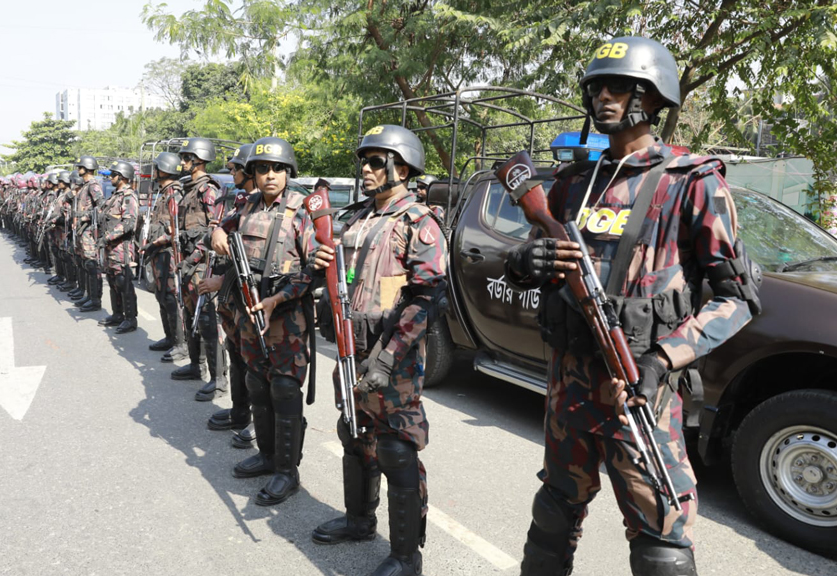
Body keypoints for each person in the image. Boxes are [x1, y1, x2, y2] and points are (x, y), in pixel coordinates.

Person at [503, 37, 761, 576]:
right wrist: (527, 259)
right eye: (596, 87)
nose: (603, 97)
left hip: (640, 391)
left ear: (653, 96)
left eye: (619, 87)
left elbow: (737, 300)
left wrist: (662, 359)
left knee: (661, 535)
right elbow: (529, 263)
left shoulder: (690, 182)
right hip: (568, 386)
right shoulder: (573, 184)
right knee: (553, 513)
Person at [311, 125, 447, 576]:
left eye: (377, 162)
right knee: (354, 434)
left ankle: (407, 556)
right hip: (351, 349)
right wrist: (318, 267)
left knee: (397, 449)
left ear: (402, 168)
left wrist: (387, 357)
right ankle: (358, 521)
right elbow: (337, 279)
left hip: (394, 358)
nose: (366, 170)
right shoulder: (353, 217)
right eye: (364, 162)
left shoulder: (419, 223)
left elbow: (429, 297)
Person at [210, 136, 318, 506]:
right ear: (252, 173)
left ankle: (287, 471)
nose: (269, 175)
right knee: (258, 382)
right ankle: (268, 455)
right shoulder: (247, 205)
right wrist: (218, 233)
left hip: (285, 316)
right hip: (248, 311)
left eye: (276, 169)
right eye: (261, 169)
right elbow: (220, 229)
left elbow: (314, 271)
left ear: (287, 172)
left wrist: (277, 299)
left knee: (285, 389)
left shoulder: (303, 211)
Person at [202, 144, 256, 444]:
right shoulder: (241, 202)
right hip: (232, 297)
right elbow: (221, 237)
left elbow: (252, 261)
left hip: (248, 295)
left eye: (235, 168)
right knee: (236, 356)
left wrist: (221, 282)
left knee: (255, 364)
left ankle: (259, 422)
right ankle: (239, 411)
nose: (231, 172)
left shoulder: (263, 208)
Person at [171, 137, 225, 389]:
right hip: (188, 262)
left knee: (207, 320)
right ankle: (196, 365)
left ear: (199, 159)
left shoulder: (208, 190)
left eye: (186, 157)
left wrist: (192, 260)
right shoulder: (190, 188)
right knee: (189, 313)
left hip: (202, 264)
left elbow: (214, 230)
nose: (182, 162)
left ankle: (218, 379)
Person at [144, 152, 189, 362]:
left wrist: (158, 241)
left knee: (172, 299)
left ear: (164, 169)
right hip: (158, 254)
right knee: (162, 297)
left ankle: (181, 343)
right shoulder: (164, 193)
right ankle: (170, 337)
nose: (154, 172)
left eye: (156, 168)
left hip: (169, 254)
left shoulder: (174, 194)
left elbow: (177, 229)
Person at [96, 161, 140, 333]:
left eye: (113, 175)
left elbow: (128, 224)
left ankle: (130, 319)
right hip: (110, 247)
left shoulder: (128, 196)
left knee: (124, 281)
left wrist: (107, 238)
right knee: (113, 280)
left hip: (121, 247)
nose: (110, 178)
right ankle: (117, 314)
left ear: (121, 177)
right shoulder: (115, 195)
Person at [74, 156, 104, 313]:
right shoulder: (85, 185)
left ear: (86, 168)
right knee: (85, 263)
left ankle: (95, 299)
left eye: (80, 167)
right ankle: (89, 294)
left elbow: (101, 206)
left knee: (92, 264)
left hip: (89, 230)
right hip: (82, 229)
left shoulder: (93, 185)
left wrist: (86, 217)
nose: (78, 169)